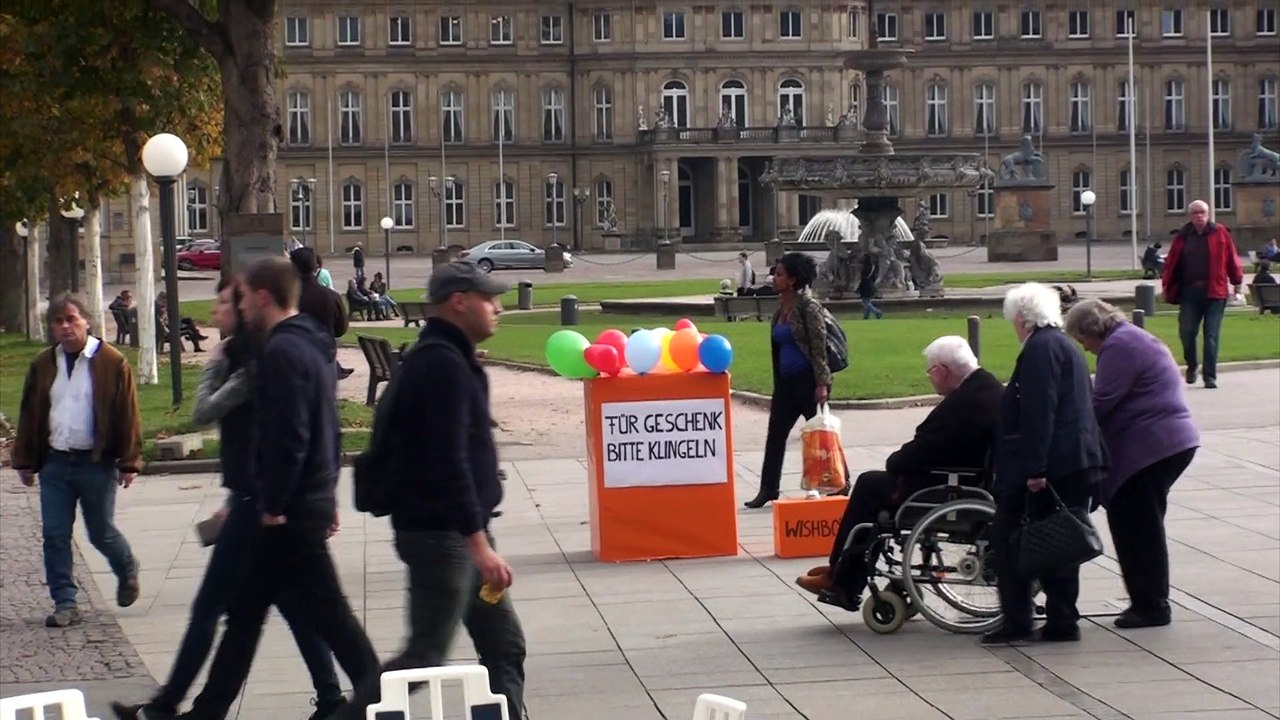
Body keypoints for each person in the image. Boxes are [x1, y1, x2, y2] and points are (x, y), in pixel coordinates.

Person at [110, 278, 343, 720]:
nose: (215, 312)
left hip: (262, 505)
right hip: (258, 499)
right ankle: (328, 698)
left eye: (222, 303)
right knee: (279, 609)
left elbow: (205, 413)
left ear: (246, 309)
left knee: (218, 609)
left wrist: (212, 365)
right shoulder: (265, 356)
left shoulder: (254, 365)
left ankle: (169, 708)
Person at [173, 259, 378, 720]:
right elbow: (330, 429)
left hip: (289, 510)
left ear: (263, 296)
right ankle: (205, 712)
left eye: (242, 298)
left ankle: (379, 696)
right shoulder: (310, 344)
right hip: (304, 501)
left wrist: (273, 502)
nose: (238, 306)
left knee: (330, 617)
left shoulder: (282, 353)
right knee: (245, 616)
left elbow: (291, 435)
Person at [338, 260, 525, 719]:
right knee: (421, 660)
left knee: (504, 648)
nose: (498, 307)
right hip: (447, 536)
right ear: (459, 301)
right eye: (488, 298)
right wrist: (477, 543)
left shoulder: (443, 359)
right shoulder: (440, 366)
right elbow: (448, 461)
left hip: (455, 532)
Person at [796, 336, 1004, 611]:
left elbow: (924, 450)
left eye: (930, 371)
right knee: (875, 486)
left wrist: (895, 461)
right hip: (964, 478)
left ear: (942, 371)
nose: (930, 378)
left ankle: (843, 579)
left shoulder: (967, 403)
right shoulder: (985, 387)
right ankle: (845, 565)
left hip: (947, 487)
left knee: (870, 486)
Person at [983, 283, 1107, 645]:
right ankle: (1061, 621)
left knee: (1014, 541)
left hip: (1053, 465)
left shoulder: (1041, 349)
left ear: (1022, 318)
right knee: (1060, 545)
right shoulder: (1064, 345)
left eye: (1013, 320)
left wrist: (1035, 470)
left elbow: (1041, 413)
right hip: (1075, 461)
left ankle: (1020, 621)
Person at [1064, 300, 1200, 629]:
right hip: (1167, 442)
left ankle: (1151, 605)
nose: (1086, 349)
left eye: (1082, 341)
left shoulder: (1120, 346)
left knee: (1138, 526)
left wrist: (1066, 430)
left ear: (1092, 331)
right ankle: (1148, 599)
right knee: (1141, 524)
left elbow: (1101, 402)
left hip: (1152, 446)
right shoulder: (1131, 339)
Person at [10, 295, 141, 628]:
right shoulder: (43, 364)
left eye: (71, 319)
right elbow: (29, 412)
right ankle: (65, 602)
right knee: (54, 534)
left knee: (100, 533)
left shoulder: (111, 362)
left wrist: (129, 461)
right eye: (58, 321)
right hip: (56, 463)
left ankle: (126, 567)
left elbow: (127, 413)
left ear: (86, 321)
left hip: (96, 462)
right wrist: (25, 459)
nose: (65, 327)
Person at [746, 252, 838, 509]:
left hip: (808, 383)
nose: (774, 278)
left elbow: (819, 347)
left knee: (820, 436)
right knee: (775, 436)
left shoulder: (808, 307)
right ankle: (768, 489)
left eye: (780, 274)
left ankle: (840, 482)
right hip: (786, 384)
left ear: (793, 279)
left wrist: (822, 383)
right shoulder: (780, 309)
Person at [1161, 199, 1244, 389]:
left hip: (1215, 291)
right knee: (1187, 331)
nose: (1199, 216)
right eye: (1196, 213)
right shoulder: (1183, 237)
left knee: (1211, 334)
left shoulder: (1219, 233)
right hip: (1190, 292)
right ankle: (1192, 365)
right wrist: (1168, 286)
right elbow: (1172, 262)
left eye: (1203, 212)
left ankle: (1210, 376)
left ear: (1208, 214)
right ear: (1190, 215)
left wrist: (1237, 281)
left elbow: (1231, 257)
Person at [290, 248, 354, 380]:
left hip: (295, 357)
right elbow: (341, 329)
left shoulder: (288, 297)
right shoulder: (332, 297)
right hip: (325, 357)